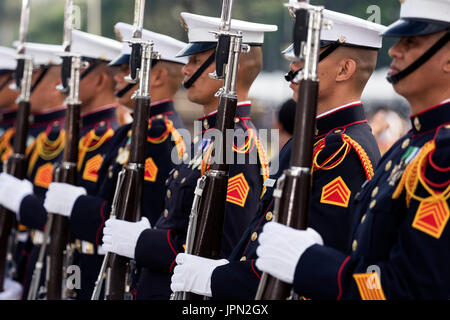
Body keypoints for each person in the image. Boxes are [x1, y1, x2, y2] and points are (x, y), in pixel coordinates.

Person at [170, 9, 384, 299]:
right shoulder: (312, 141)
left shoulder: (342, 149)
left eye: (305, 58)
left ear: (344, 70)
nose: (294, 66)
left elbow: (315, 266)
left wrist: (218, 279)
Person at [256, 0, 450, 300]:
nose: (395, 51)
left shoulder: (441, 154)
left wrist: (310, 263)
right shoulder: (410, 145)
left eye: (411, 42)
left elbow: (413, 288)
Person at [101, 12, 277, 299]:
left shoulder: (238, 144)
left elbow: (226, 248)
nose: (185, 69)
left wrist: (142, 242)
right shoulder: (208, 138)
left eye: (195, 61)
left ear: (229, 67)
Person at [41, 23, 188, 300]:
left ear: (156, 76)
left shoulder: (162, 135)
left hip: (120, 272)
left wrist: (76, 205)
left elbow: (147, 215)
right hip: (90, 263)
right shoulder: (130, 131)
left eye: (126, 69)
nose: (117, 77)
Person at [0, 31, 122, 299]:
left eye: (75, 73)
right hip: (44, 263)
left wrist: (22, 202)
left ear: (101, 79)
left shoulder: (111, 141)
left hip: (84, 274)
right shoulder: (68, 138)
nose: (65, 83)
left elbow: (93, 221)